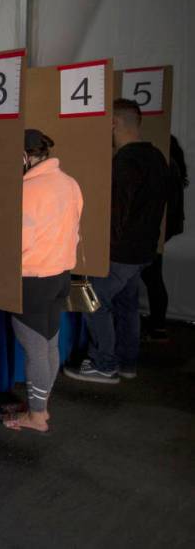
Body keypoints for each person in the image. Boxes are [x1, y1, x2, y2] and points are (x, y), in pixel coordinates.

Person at [65, 99, 169, 384]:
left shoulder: (126, 161)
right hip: (143, 250)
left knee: (94, 300)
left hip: (120, 252)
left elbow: (117, 213)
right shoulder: (156, 157)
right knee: (127, 306)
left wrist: (97, 249)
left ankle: (104, 363)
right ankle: (126, 362)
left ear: (113, 123)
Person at [0, 131, 82, 432]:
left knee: (35, 350)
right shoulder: (69, 183)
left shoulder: (26, 191)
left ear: (24, 156)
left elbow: (16, 244)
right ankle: (41, 406)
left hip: (32, 279)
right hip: (60, 276)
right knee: (49, 345)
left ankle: (36, 416)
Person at [141, 134, 188, 341]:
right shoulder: (173, 166)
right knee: (153, 278)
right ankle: (158, 325)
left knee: (151, 278)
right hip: (161, 230)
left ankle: (158, 326)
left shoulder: (164, 166)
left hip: (154, 231)